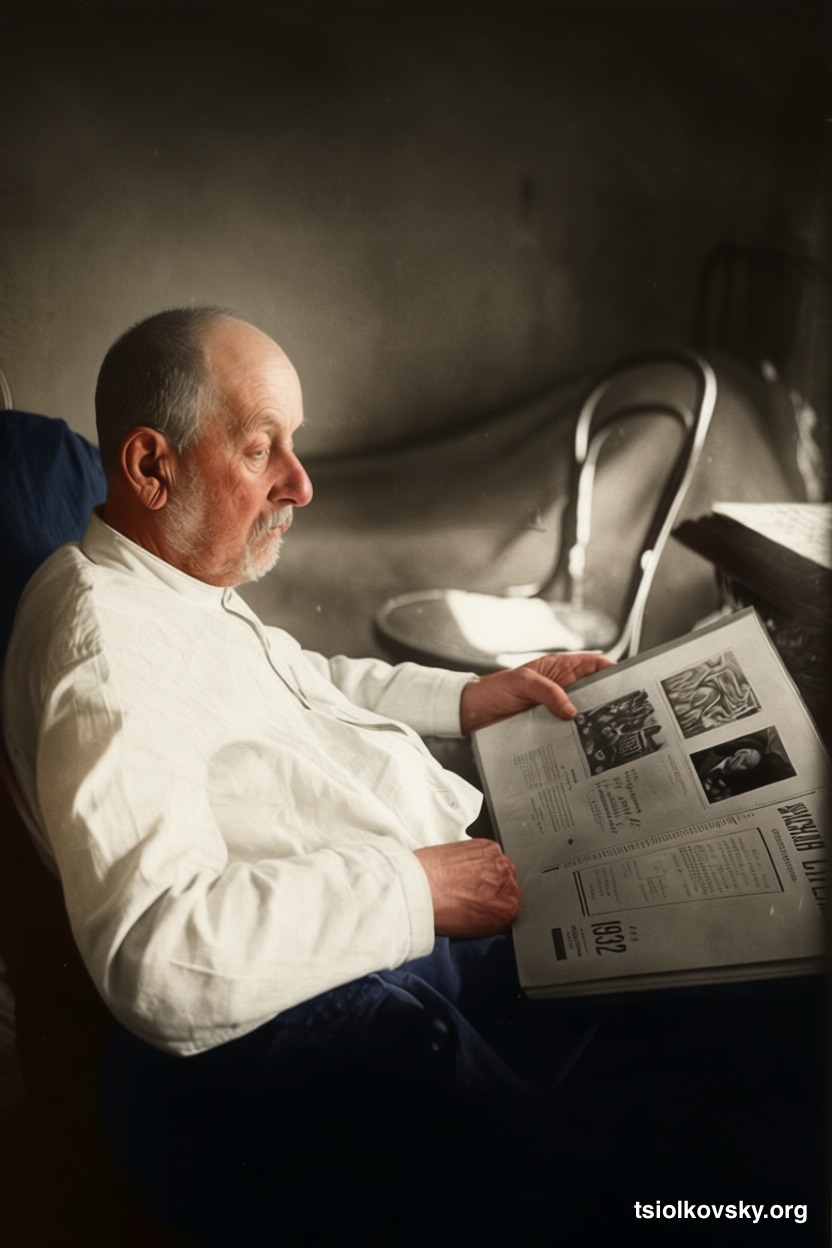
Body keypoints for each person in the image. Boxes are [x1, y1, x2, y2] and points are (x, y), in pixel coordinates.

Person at [2, 307, 613, 1237]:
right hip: (348, 1004)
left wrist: (466, 698)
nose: (302, 483)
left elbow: (298, 674)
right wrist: (418, 887)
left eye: (294, 443)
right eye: (261, 450)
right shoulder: (106, 657)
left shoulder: (164, 582)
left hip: (418, 912)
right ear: (151, 467)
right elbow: (155, 954)